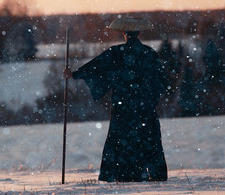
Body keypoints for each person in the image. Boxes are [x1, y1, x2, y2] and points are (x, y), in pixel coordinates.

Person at [63, 17, 168, 182]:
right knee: (148, 139)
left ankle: (122, 174)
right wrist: (150, 97)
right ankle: (155, 173)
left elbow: (95, 67)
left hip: (123, 107)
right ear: (139, 33)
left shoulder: (116, 53)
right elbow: (162, 82)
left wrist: (73, 74)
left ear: (124, 34)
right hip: (145, 107)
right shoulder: (150, 54)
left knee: (121, 140)